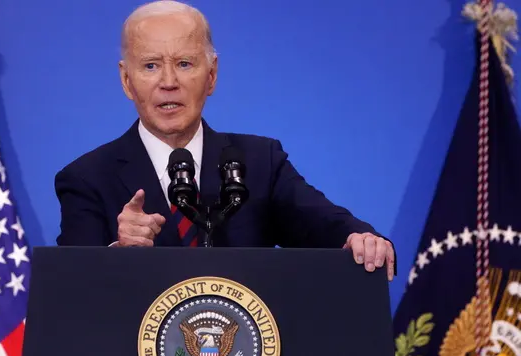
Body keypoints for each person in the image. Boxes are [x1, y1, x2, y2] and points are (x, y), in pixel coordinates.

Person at [54, 0, 396, 280]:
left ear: (212, 75)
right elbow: (71, 289)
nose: (169, 81)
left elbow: (323, 223)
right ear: (127, 81)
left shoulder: (260, 161)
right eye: (151, 66)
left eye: (185, 63)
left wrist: (359, 237)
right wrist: (118, 252)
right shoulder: (87, 178)